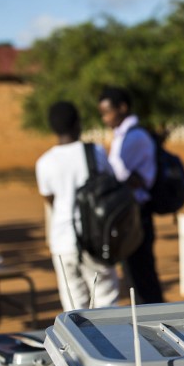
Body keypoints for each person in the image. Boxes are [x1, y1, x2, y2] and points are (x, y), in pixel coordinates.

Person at [36, 100, 120, 311]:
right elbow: (112, 185)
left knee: (74, 306)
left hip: (62, 242)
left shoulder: (44, 163)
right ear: (78, 123)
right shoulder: (95, 152)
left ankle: (77, 344)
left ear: (52, 128)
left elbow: (50, 200)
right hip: (95, 239)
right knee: (105, 300)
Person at [98, 86, 164, 304]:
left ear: (122, 108)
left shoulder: (133, 137)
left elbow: (115, 174)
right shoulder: (124, 135)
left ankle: (156, 325)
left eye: (108, 112)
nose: (105, 118)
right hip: (130, 211)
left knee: (142, 277)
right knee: (136, 275)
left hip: (137, 213)